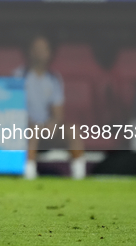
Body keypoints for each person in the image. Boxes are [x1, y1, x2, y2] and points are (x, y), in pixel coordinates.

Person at [15, 35, 85, 180]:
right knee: (33, 130)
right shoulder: (19, 76)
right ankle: (29, 173)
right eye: (37, 49)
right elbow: (15, 109)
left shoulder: (54, 78)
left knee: (73, 130)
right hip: (24, 129)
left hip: (47, 128)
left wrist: (51, 125)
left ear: (49, 53)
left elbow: (58, 113)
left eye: (44, 49)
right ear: (30, 51)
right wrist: (32, 125)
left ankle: (79, 174)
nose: (40, 53)